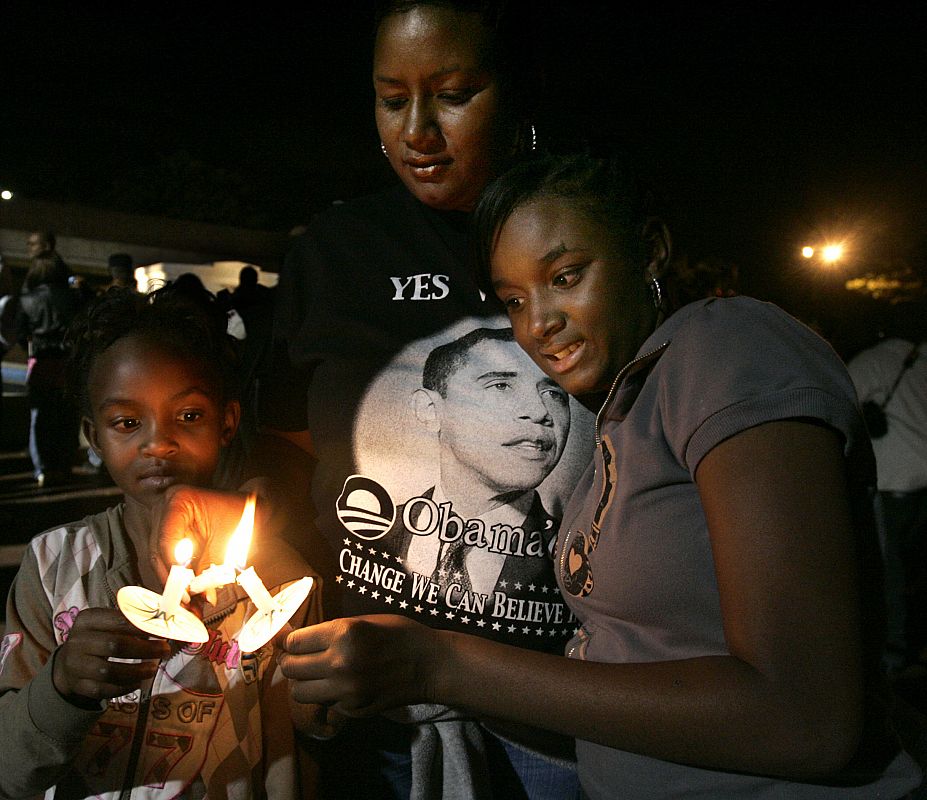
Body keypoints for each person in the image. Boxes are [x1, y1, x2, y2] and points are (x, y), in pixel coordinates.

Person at [273, 152, 924, 798]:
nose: (539, 324)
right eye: (514, 300)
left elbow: (805, 717)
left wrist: (442, 664)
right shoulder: (625, 406)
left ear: (649, 250)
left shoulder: (727, 347)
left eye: (564, 276)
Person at [243, 1, 595, 795]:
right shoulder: (336, 253)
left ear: (517, 92)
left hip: (558, 722)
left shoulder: (582, 236)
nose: (418, 131)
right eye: (391, 98)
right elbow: (284, 451)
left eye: (454, 94)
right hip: (373, 720)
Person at [0, 286, 325, 798]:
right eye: (127, 423)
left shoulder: (275, 574)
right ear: (92, 434)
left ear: (228, 422)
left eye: (189, 416)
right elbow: (11, 768)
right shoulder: (52, 568)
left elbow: (316, 725)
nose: (158, 442)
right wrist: (61, 686)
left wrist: (326, 682)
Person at [397, 326, 571, 598]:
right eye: (501, 386)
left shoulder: (577, 553)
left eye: (554, 394)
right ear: (430, 410)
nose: (539, 412)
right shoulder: (378, 528)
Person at [847, 303, 927, 679]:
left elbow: (841, 406)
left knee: (888, 572)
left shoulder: (870, 363)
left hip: (891, 481)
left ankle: (894, 655)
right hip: (923, 484)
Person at [15, 253, 84, 486]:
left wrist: (31, 352)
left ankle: (42, 468)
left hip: (41, 361)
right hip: (66, 362)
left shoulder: (27, 299)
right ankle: (64, 464)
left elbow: (18, 332)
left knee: (39, 418)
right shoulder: (72, 297)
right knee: (66, 416)